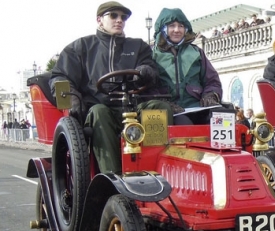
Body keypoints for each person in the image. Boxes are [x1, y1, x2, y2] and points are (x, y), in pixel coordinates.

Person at [50, 1, 169, 174]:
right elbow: (60, 77)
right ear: (99, 20)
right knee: (100, 112)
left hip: (133, 107)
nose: (119, 20)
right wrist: (73, 99)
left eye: (123, 17)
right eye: (113, 16)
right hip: (97, 109)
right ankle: (111, 178)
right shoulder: (81, 47)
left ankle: (156, 171)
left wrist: (145, 71)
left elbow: (150, 69)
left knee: (160, 109)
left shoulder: (138, 46)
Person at [152, 8, 231, 125]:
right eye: (172, 26)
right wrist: (163, 103)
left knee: (225, 119)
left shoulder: (196, 53)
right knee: (184, 123)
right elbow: (148, 88)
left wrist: (210, 96)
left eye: (181, 26)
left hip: (198, 107)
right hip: (170, 111)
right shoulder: (152, 56)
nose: (177, 30)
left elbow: (212, 81)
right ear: (163, 29)